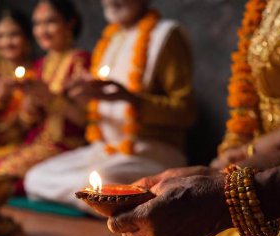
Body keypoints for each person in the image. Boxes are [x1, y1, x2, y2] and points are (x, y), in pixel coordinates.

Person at [108, 0, 280, 236]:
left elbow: (183, 112)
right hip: (260, 166)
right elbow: (247, 109)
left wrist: (233, 187)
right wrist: (223, 167)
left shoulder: (167, 35)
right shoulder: (264, 6)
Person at [24, 0, 196, 209]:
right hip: (104, 150)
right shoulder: (110, 39)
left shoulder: (166, 35)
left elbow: (186, 112)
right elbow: (100, 109)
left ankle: (122, 204)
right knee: (35, 177)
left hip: (150, 152)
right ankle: (119, 205)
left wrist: (131, 99)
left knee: (99, 186)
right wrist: (84, 98)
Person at [0, 0, 90, 178]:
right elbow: (27, 122)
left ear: (70, 23)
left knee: (3, 171)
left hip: (70, 145)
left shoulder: (80, 62)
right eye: (37, 24)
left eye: (50, 22)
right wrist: (29, 102)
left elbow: (86, 120)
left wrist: (51, 98)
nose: (42, 30)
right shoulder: (40, 66)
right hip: (38, 143)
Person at [0, 8, 34, 165]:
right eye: (0, 36)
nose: (7, 42)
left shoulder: (38, 70)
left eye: (14, 35)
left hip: (31, 144)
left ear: (27, 37)